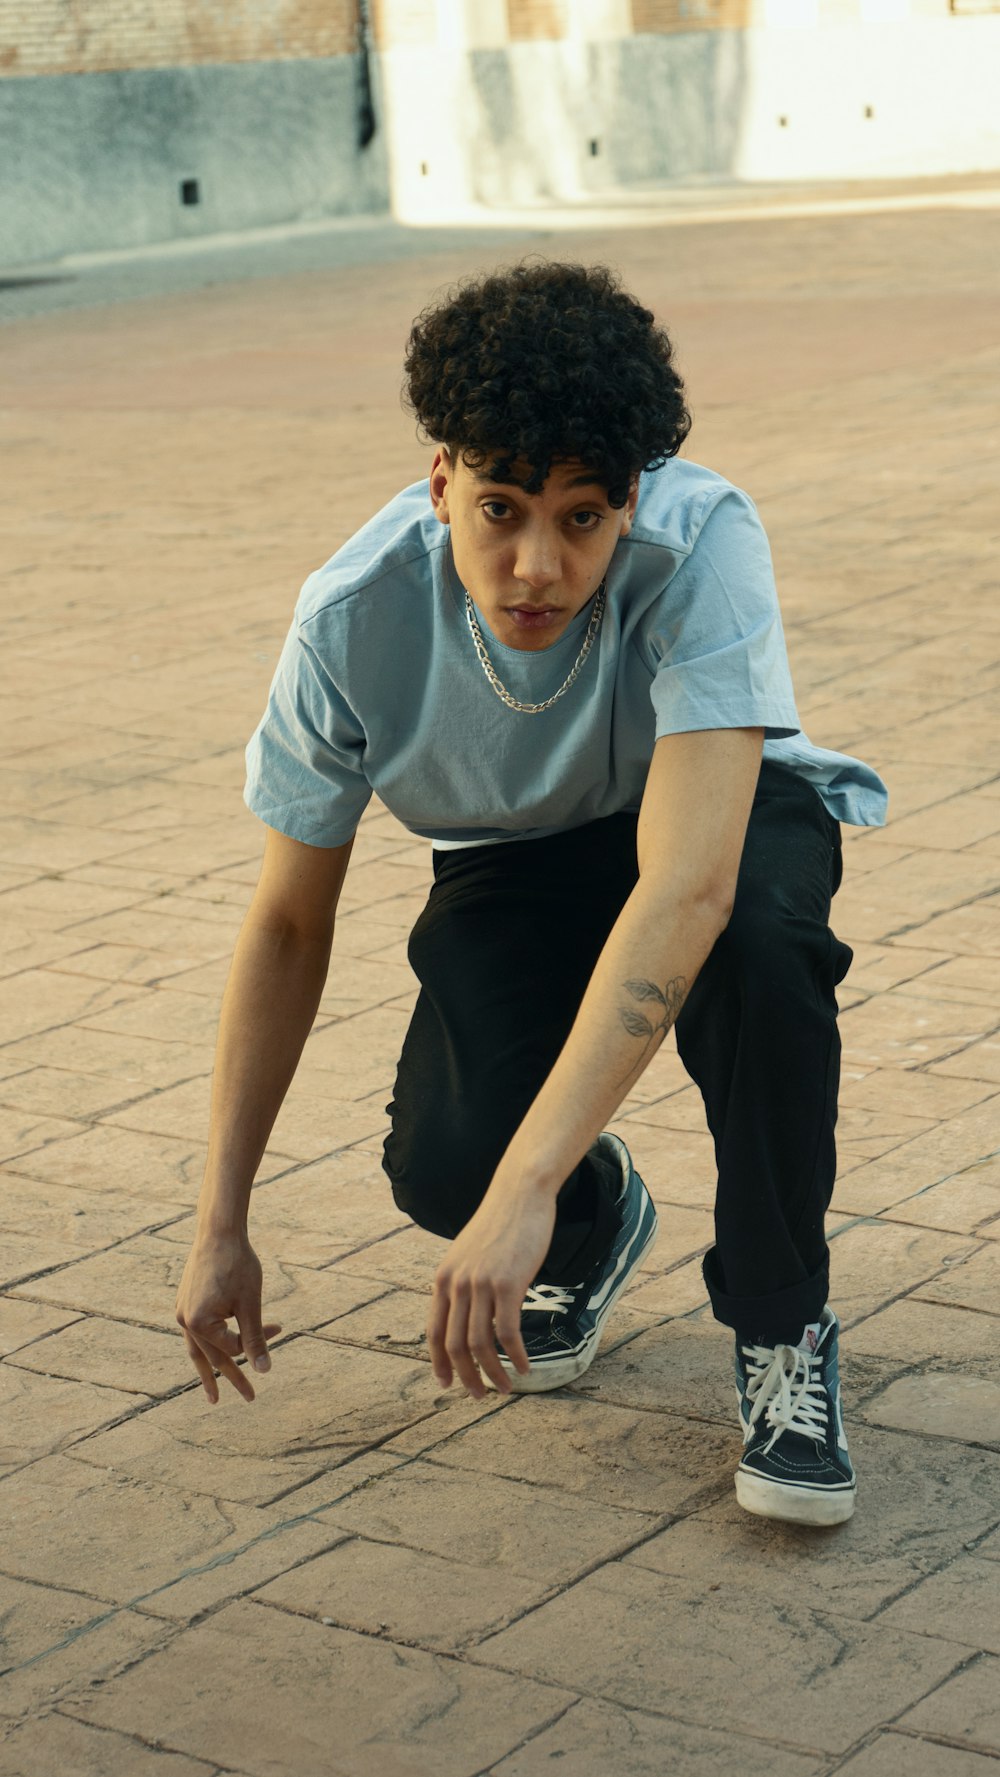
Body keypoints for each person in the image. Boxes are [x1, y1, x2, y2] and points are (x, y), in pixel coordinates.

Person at [175, 260, 887, 1528]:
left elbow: (685, 888)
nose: (536, 566)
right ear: (440, 478)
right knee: (448, 1166)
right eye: (499, 509)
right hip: (510, 851)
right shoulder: (352, 621)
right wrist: (219, 1219)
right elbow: (289, 918)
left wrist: (526, 1185)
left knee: (765, 958)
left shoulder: (702, 538)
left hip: (711, 813)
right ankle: (600, 1211)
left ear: (633, 500)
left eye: (581, 517)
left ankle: (783, 1327)